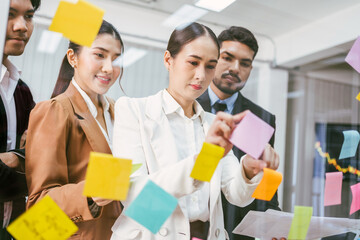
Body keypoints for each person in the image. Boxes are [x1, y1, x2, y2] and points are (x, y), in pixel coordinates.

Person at [110, 22, 280, 240]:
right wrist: (204, 160)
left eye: (210, 66)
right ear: (168, 60)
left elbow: (237, 195)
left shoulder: (211, 123)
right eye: (193, 62)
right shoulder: (133, 110)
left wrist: (248, 169)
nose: (201, 75)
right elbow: (134, 194)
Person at [25, 20, 124, 239]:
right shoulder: (55, 111)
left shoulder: (120, 113)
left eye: (116, 59)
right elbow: (37, 213)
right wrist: (89, 195)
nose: (109, 67)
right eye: (99, 55)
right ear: (73, 58)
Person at [197, 26, 280, 240]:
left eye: (245, 63)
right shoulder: (189, 106)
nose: (235, 68)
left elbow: (265, 184)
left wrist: (275, 226)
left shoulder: (261, 118)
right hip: (195, 226)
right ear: (213, 59)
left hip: (241, 232)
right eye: (228, 58)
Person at [0, 0, 40, 238]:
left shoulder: (21, 90)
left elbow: (49, 165)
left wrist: (14, 159)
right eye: (10, 15)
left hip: (14, 231)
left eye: (28, 17)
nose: (21, 26)